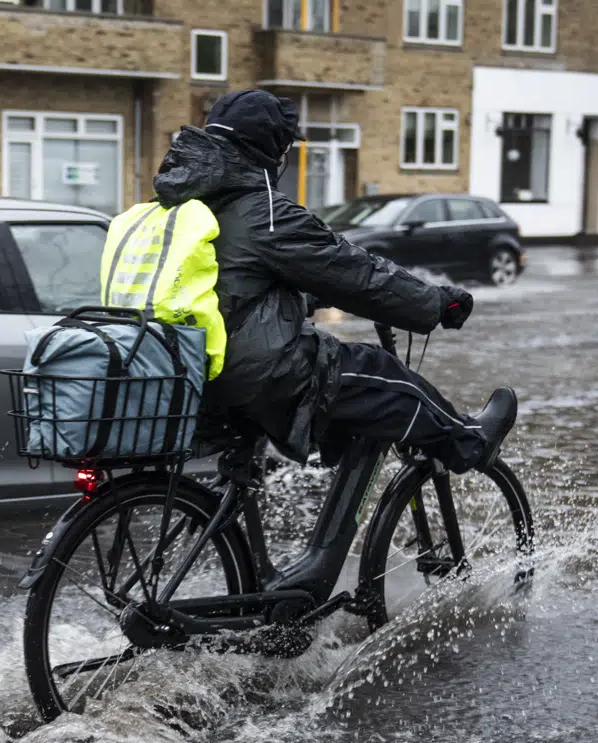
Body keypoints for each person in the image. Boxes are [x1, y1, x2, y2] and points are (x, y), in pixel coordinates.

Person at [142, 90, 516, 473]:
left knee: (276, 457)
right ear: (269, 150)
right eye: (284, 147)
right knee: (383, 374)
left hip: (190, 371)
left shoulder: (177, 205)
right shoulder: (265, 212)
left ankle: (244, 525)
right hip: (252, 373)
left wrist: (304, 297)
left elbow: (228, 289)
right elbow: (353, 272)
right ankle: (470, 442)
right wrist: (435, 303)